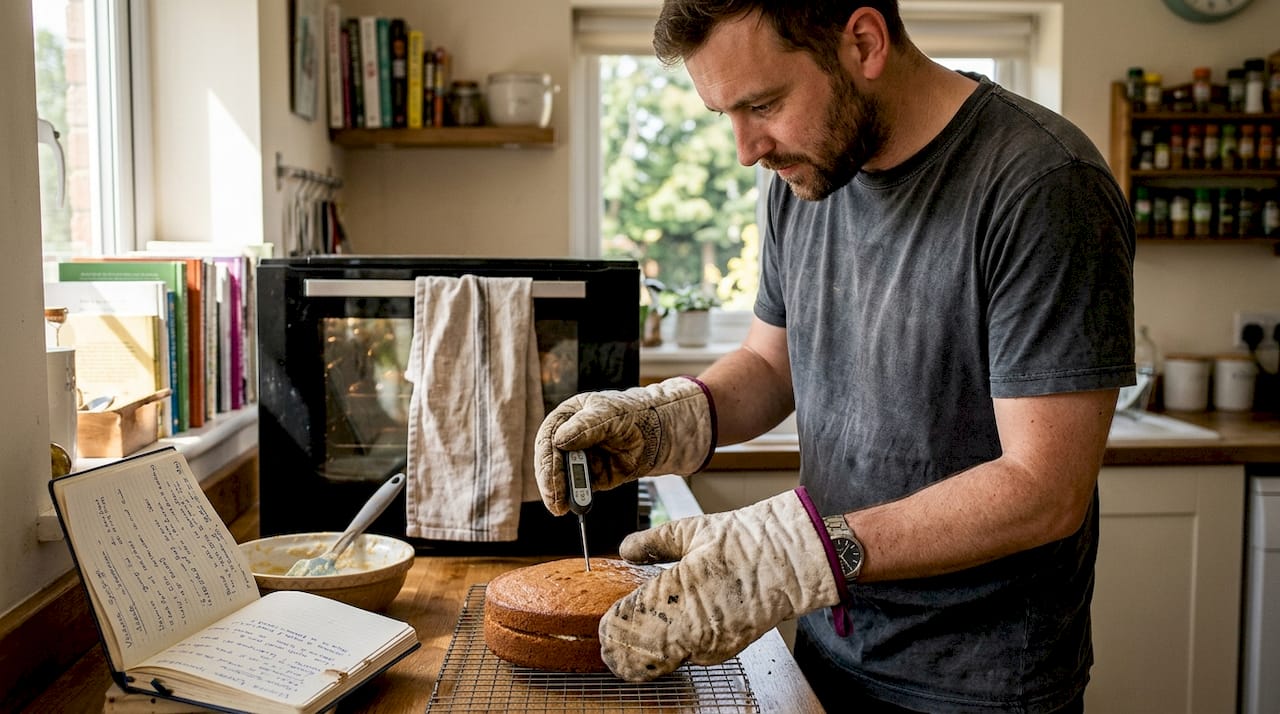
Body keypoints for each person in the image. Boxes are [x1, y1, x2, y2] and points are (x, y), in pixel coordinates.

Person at [534, 1, 1135, 712]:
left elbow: (1043, 489)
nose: (746, 149)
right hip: (828, 643)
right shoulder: (806, 176)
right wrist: (662, 420)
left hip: (978, 685)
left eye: (762, 103)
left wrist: (796, 553)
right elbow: (770, 366)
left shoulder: (1041, 184)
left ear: (864, 42)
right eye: (725, 114)